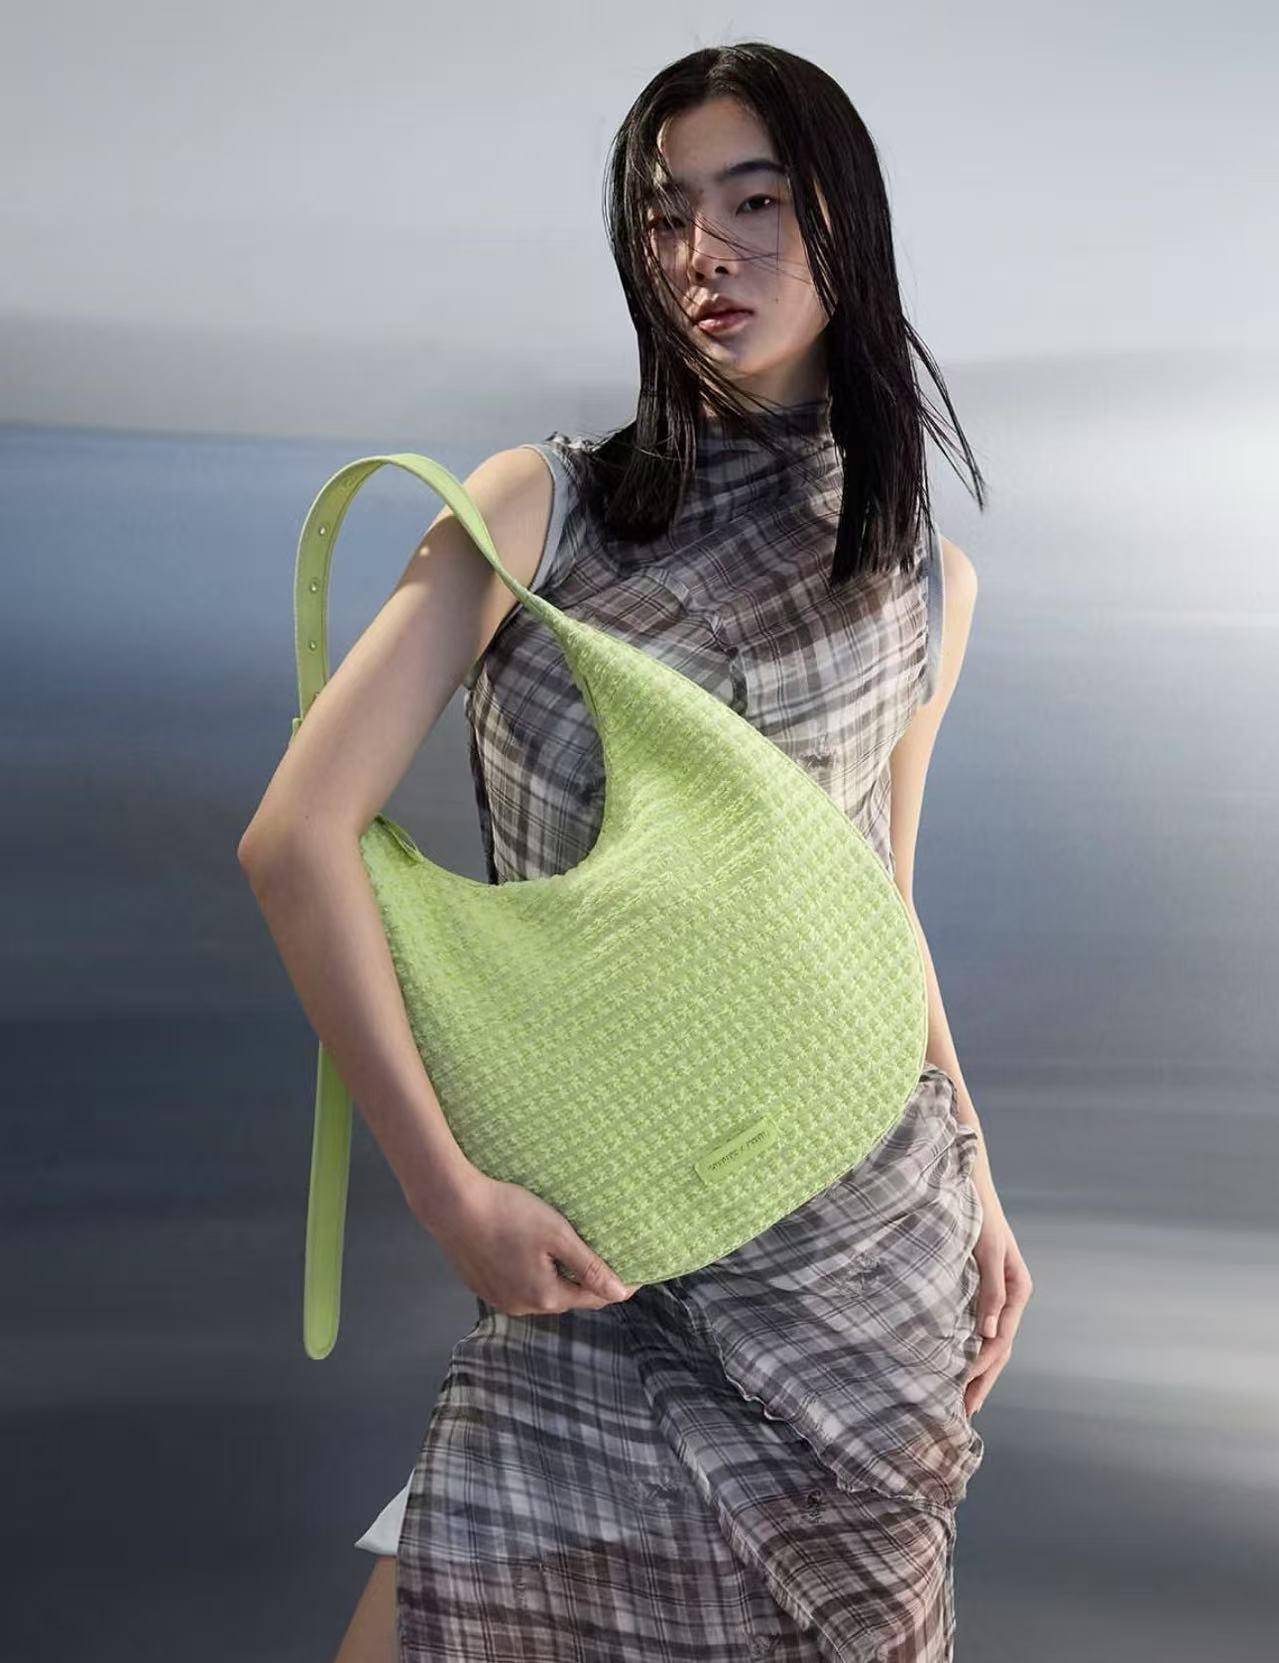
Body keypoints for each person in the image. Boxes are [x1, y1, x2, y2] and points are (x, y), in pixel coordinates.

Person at [240, 39, 1033, 1663]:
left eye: (756, 203)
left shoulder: (924, 582)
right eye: (666, 214)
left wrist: (979, 1174)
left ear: (846, 222)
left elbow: (875, 904)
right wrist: (446, 1192)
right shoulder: (540, 509)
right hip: (593, 1241)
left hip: (856, 1260)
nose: (702, 252)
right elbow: (294, 841)